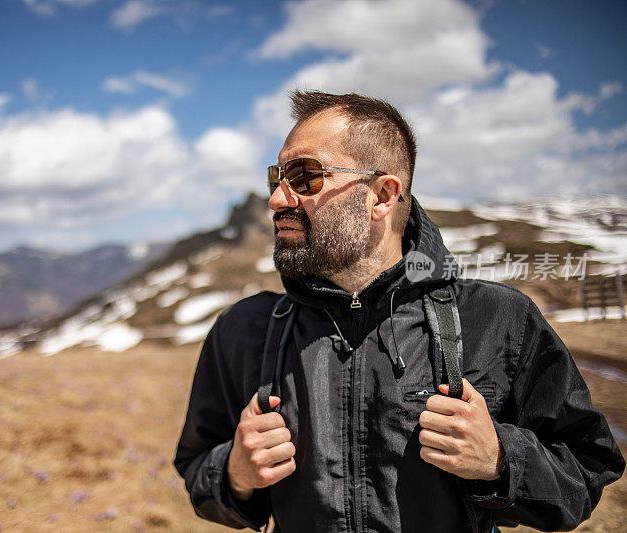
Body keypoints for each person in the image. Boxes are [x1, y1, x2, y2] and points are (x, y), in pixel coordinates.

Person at [174, 90, 624, 532]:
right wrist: (234, 473)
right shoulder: (242, 330)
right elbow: (196, 467)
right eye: (277, 177)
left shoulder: (498, 318)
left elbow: (587, 469)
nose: (277, 199)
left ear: (382, 195)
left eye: (304, 176)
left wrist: (500, 459)